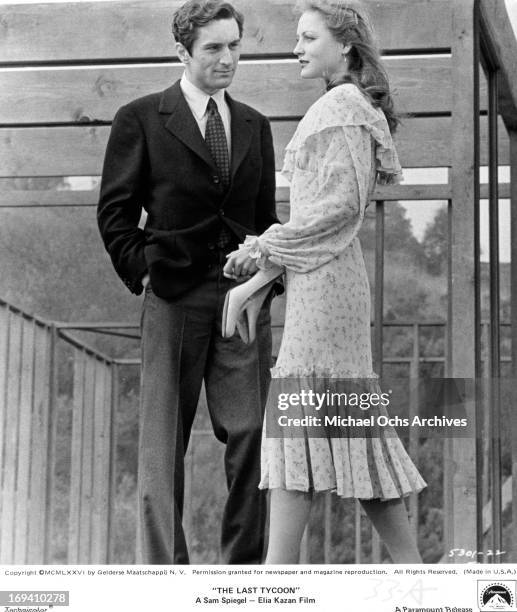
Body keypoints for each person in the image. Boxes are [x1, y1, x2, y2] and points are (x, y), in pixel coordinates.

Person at [224, 0, 426, 563]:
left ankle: (279, 572)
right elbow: (319, 225)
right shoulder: (343, 104)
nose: (297, 48)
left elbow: (336, 213)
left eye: (308, 37)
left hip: (328, 284)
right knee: (324, 418)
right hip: (324, 279)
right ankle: (294, 569)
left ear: (344, 45)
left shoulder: (342, 104)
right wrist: (259, 277)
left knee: (307, 414)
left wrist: (263, 250)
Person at [97, 0, 279, 564]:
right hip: (173, 297)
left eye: (234, 45)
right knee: (161, 446)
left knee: (251, 434)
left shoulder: (254, 124)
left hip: (242, 302)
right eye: (213, 48)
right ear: (182, 52)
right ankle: (163, 577)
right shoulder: (142, 118)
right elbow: (115, 214)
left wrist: (264, 284)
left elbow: (266, 217)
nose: (228, 58)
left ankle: (241, 574)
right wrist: (146, 271)